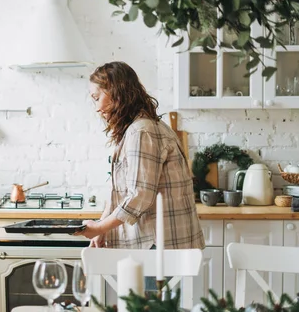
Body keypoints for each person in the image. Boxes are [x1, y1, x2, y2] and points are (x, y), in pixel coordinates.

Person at [76, 61, 205, 251]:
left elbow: (140, 195)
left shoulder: (141, 131)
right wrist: (101, 227)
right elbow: (121, 192)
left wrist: (100, 226)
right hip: (158, 243)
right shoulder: (141, 128)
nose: (96, 107)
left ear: (115, 92)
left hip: (156, 245)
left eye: (96, 97)